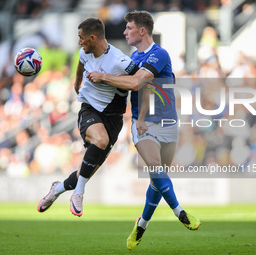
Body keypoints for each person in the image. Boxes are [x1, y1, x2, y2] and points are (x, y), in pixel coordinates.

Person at [86, 11, 201, 250]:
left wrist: (104, 76)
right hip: (143, 124)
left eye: (129, 28)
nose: (125, 32)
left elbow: (140, 83)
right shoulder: (133, 56)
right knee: (155, 167)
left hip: (167, 122)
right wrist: (137, 116)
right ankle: (180, 212)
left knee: (157, 180)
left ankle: (142, 224)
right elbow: (140, 87)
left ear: (142, 31)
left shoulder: (159, 54)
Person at [37, 18, 139, 216]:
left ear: (93, 37)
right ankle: (79, 194)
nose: (79, 43)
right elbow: (81, 63)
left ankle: (56, 189)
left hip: (114, 119)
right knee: (100, 140)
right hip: (89, 110)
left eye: (81, 38)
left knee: (85, 171)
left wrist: (105, 77)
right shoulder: (85, 52)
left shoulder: (119, 60)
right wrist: (76, 83)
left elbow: (137, 82)